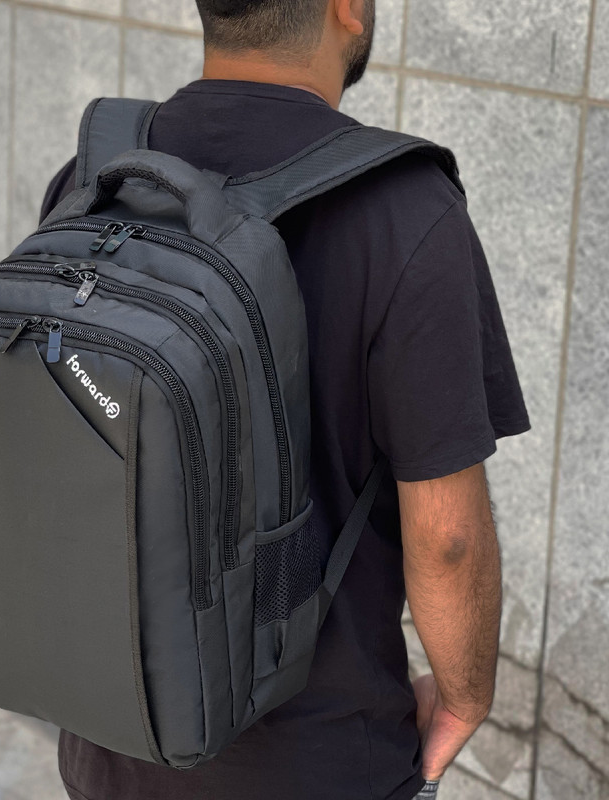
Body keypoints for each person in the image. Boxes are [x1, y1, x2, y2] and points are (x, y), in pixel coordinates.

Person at [39, 1, 532, 798]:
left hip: (112, 745)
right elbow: (447, 537)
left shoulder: (97, 178)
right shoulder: (406, 211)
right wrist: (465, 697)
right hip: (321, 762)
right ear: (347, 8)